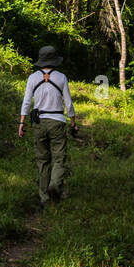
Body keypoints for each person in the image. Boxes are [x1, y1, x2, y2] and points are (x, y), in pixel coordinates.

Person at [18, 45, 77, 206]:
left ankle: (44, 198)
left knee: (42, 160)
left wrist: (22, 122)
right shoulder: (61, 77)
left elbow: (26, 102)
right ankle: (54, 185)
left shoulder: (32, 78)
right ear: (55, 60)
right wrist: (72, 121)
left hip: (39, 122)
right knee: (59, 158)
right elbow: (68, 103)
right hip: (57, 121)